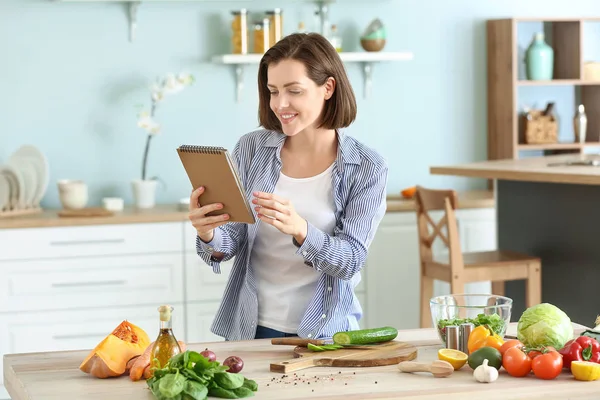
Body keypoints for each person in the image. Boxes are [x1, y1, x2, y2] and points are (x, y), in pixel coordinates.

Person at [188, 32, 388, 341]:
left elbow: (351, 260)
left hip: (325, 335)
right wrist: (209, 233)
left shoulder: (367, 167)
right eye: (273, 91)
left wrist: (301, 230)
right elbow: (232, 242)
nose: (281, 104)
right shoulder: (251, 149)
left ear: (328, 88)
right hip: (249, 328)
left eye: (294, 91)